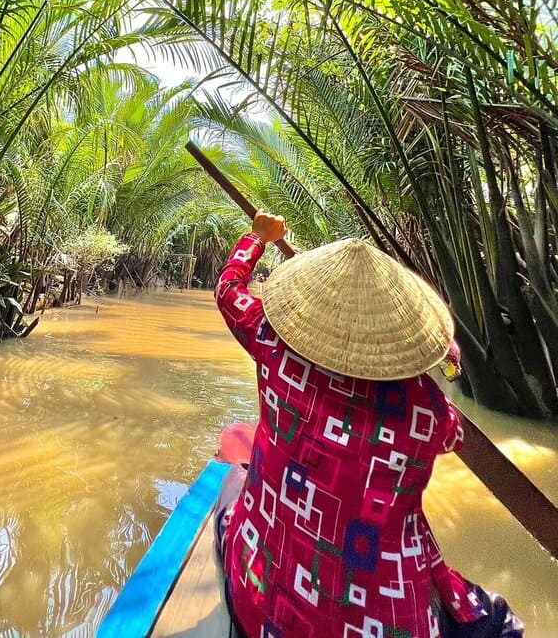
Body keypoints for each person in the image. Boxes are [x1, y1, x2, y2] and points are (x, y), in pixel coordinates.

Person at [214, 211, 524, 638]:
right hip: (385, 623)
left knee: (234, 482)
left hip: (266, 605)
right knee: (491, 620)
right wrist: (443, 361)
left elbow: (228, 289)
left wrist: (258, 238)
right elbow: (454, 434)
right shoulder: (427, 410)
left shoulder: (271, 344)